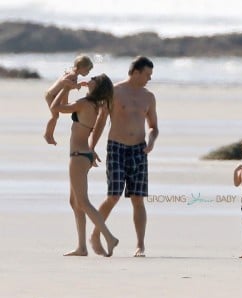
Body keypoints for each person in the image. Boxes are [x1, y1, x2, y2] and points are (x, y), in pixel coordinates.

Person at [89, 56, 159, 257]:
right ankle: (95, 235)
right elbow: (101, 120)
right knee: (113, 195)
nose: (149, 78)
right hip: (116, 148)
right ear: (136, 72)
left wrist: (152, 141)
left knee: (138, 198)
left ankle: (140, 245)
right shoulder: (115, 92)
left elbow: (153, 127)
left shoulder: (149, 97)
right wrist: (91, 147)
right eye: (147, 74)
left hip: (139, 150)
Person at [50, 73, 119, 257]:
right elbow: (65, 106)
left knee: (83, 202)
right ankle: (81, 247)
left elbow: (55, 107)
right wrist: (69, 88)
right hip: (83, 155)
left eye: (94, 78)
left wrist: (65, 86)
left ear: (97, 86)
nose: (90, 78)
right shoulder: (93, 104)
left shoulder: (85, 103)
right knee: (74, 202)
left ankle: (109, 237)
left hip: (78, 156)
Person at [44, 54, 93, 146]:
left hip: (57, 94)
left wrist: (79, 84)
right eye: (87, 69)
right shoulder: (72, 74)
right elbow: (64, 81)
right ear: (80, 67)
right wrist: (76, 85)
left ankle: (49, 135)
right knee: (55, 116)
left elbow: (67, 85)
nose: (88, 72)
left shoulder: (74, 75)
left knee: (64, 106)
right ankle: (48, 135)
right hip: (51, 95)